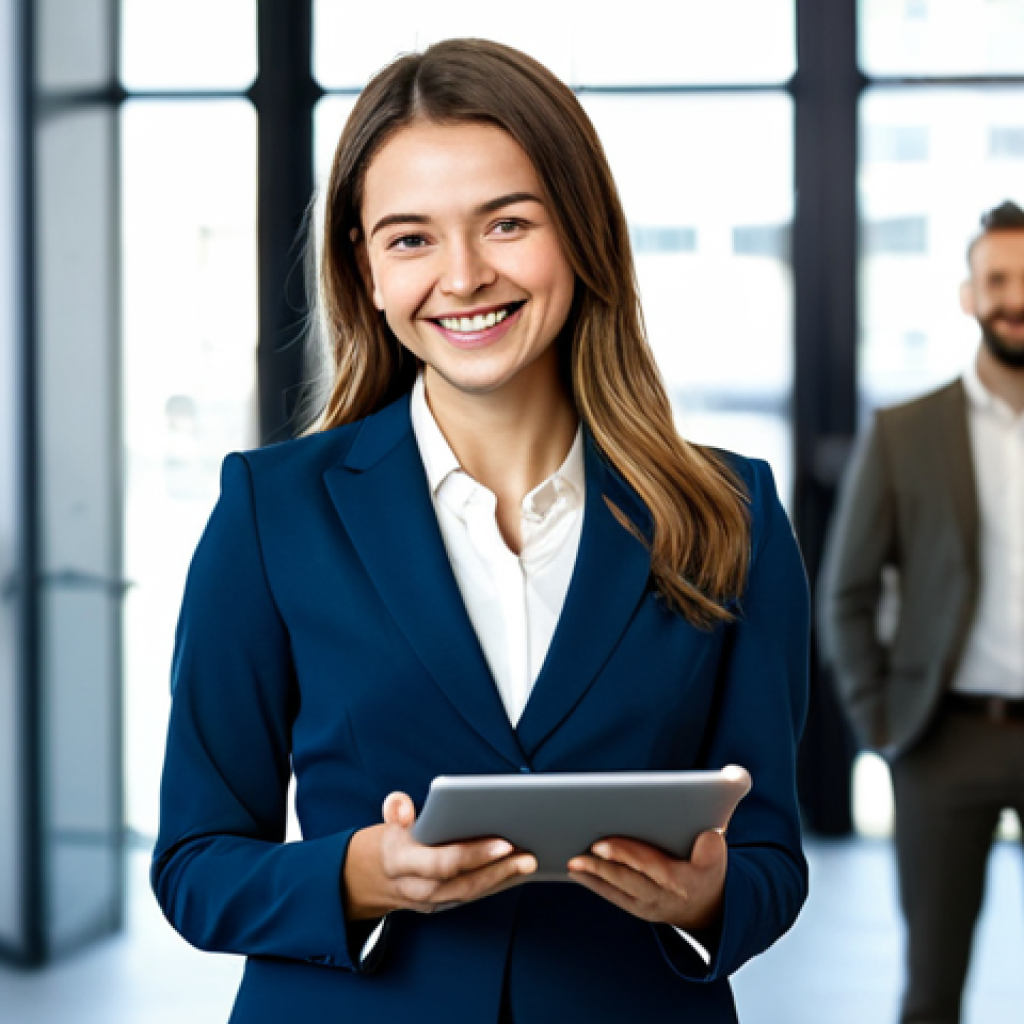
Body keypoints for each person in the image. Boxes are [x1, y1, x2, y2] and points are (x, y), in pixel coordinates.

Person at [152, 38, 809, 1024]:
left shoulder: (728, 509)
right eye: (410, 238)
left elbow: (770, 858)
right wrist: (363, 874)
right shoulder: (270, 510)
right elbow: (196, 865)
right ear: (365, 271)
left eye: (506, 223)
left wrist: (706, 899)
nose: (461, 276)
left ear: (581, 235)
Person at [819, 200, 1024, 1024]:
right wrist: (883, 725)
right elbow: (848, 592)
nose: (1015, 296)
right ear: (968, 296)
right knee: (932, 989)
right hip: (944, 739)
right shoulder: (907, 433)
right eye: (999, 279)